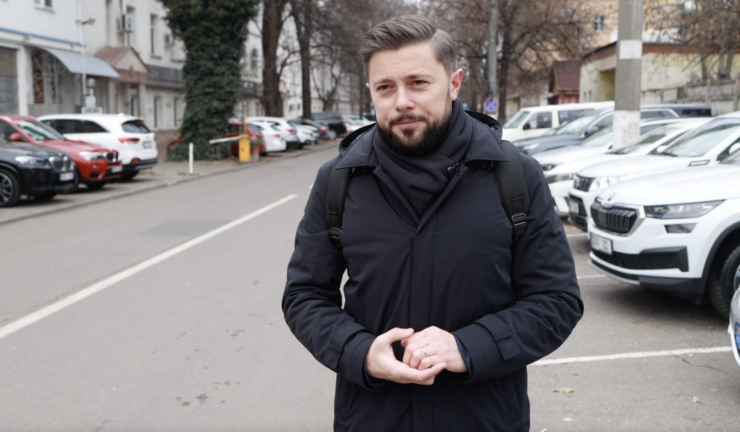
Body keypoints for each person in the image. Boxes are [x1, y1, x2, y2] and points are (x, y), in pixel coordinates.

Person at [282, 15, 583, 432]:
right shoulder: (339, 180)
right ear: (371, 92)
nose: (402, 101)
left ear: (454, 83)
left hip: (483, 420)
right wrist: (360, 352)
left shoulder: (514, 175)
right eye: (386, 88)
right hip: (372, 419)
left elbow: (556, 301)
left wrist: (467, 347)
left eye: (418, 83)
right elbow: (305, 296)